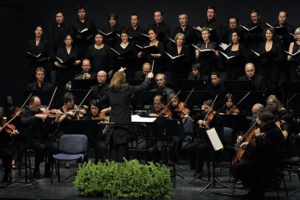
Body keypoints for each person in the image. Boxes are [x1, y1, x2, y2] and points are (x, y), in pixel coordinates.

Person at [97, 67, 153, 162]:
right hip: (123, 124)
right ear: (123, 79)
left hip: (113, 124)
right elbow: (143, 86)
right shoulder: (127, 89)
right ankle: (121, 173)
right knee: (122, 151)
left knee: (113, 151)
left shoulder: (110, 90)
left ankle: (113, 172)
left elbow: (114, 80)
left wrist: (119, 72)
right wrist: (148, 78)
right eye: (125, 76)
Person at [235, 110, 285, 197]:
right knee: (246, 164)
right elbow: (265, 144)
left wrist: (258, 136)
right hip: (266, 159)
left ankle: (257, 190)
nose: (259, 123)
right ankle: (255, 190)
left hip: (271, 163)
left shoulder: (273, 132)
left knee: (241, 167)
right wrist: (249, 144)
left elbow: (265, 147)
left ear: (266, 122)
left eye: (260, 121)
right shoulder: (270, 128)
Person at [19, 96, 58, 178]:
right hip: (31, 140)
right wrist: (35, 116)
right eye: (36, 106)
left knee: (55, 147)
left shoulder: (43, 113)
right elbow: (23, 122)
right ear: (30, 104)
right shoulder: (24, 113)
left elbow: (50, 130)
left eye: (39, 105)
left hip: (43, 139)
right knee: (41, 147)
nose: (39, 107)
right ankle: (36, 170)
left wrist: (56, 121)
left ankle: (48, 167)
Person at [189, 99, 224, 178]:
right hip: (207, 139)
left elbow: (216, 132)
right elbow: (194, 119)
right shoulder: (205, 114)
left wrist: (207, 126)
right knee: (192, 147)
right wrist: (198, 121)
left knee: (200, 148)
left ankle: (199, 171)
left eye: (206, 108)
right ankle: (194, 168)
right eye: (204, 108)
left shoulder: (218, 117)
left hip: (216, 140)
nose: (205, 110)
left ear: (212, 107)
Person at [257, 27, 283, 95]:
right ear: (265, 34)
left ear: (273, 34)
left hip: (273, 68)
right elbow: (258, 56)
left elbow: (281, 57)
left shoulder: (277, 45)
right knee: (264, 87)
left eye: (270, 33)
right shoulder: (261, 44)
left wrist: (271, 60)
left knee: (273, 88)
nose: (268, 35)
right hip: (264, 68)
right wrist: (262, 60)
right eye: (267, 33)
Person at [0, 107, 18, 182]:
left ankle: (6, 176)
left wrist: (12, 135)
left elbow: (5, 138)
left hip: (1, 146)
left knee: (8, 154)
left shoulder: (2, 122)